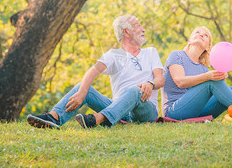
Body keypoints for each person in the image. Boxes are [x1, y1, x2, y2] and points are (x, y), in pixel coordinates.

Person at [27, 15, 165, 129]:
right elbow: (92, 71)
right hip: (120, 112)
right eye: (138, 26)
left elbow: (160, 80)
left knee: (134, 90)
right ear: (126, 32)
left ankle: (99, 119)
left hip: (146, 111)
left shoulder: (150, 52)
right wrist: (81, 93)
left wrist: (150, 84)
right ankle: (54, 117)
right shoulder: (113, 55)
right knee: (83, 87)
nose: (143, 29)